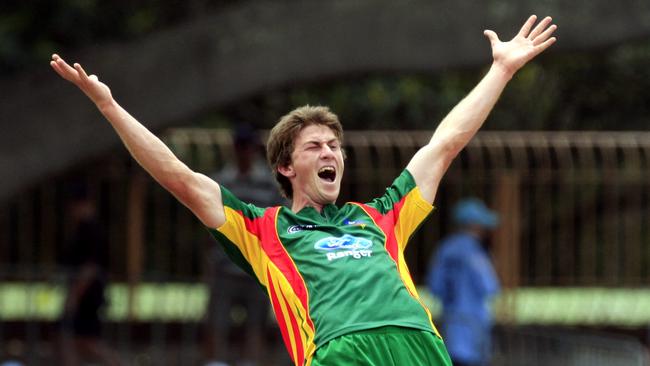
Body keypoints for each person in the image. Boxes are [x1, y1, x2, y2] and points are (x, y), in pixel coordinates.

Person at [50, 15, 556, 366]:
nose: (331, 152)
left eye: (335, 145)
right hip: (341, 350)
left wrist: (501, 69)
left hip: (418, 344)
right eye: (315, 146)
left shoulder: (380, 215)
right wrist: (109, 107)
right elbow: (180, 177)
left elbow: (444, 145)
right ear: (286, 167)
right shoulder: (262, 228)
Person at [202, 124, 286, 366]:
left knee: (256, 325)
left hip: (256, 267)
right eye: (240, 148)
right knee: (216, 323)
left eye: (247, 148)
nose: (243, 153)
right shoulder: (221, 181)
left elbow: (278, 221)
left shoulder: (269, 184)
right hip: (223, 266)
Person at [427, 198, 501, 366]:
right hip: (475, 327)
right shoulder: (475, 253)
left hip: (451, 326)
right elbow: (490, 287)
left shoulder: (445, 249)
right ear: (475, 225)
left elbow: (435, 286)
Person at [58, 181, 122, 366]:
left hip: (88, 295)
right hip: (84, 293)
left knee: (83, 341)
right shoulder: (83, 228)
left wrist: (75, 295)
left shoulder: (91, 230)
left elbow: (90, 268)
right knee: (72, 340)